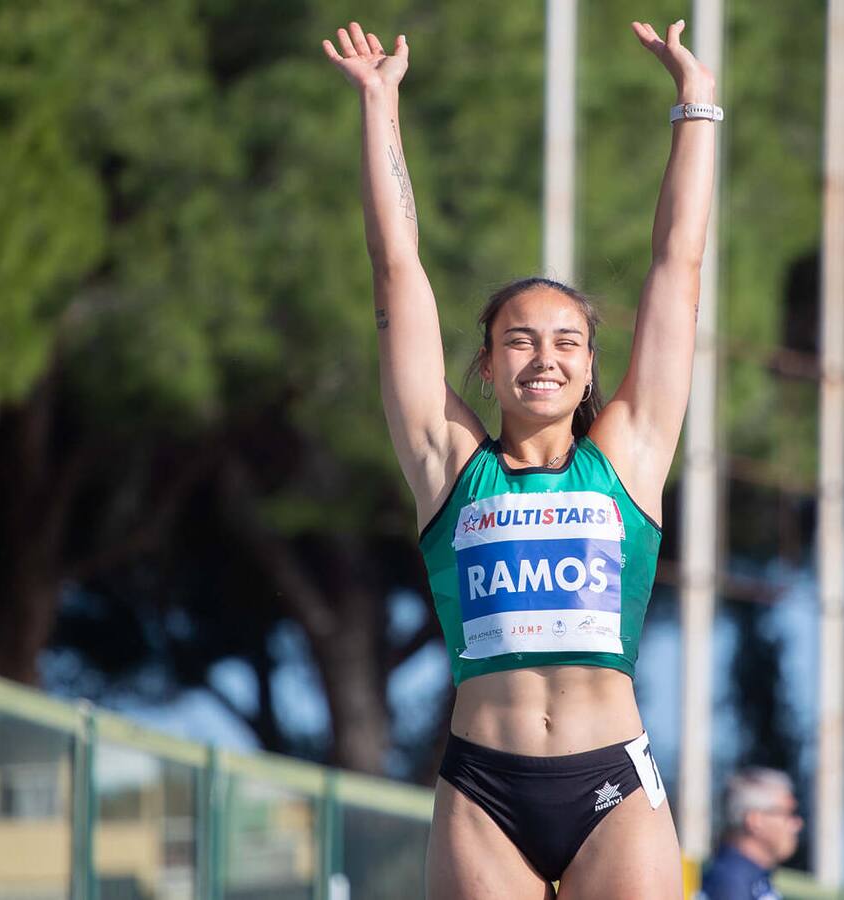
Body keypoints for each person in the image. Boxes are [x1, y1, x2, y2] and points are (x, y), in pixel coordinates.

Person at [323, 16, 718, 900]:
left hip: (613, 786)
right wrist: (380, 104)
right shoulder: (448, 462)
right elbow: (395, 269)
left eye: (568, 341)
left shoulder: (630, 454)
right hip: (482, 788)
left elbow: (678, 267)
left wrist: (696, 105)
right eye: (520, 339)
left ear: (590, 366)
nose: (545, 357)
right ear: (488, 362)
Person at [699, 768, 802, 900]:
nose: (797, 823)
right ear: (755, 820)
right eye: (788, 813)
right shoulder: (731, 883)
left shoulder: (752, 879)